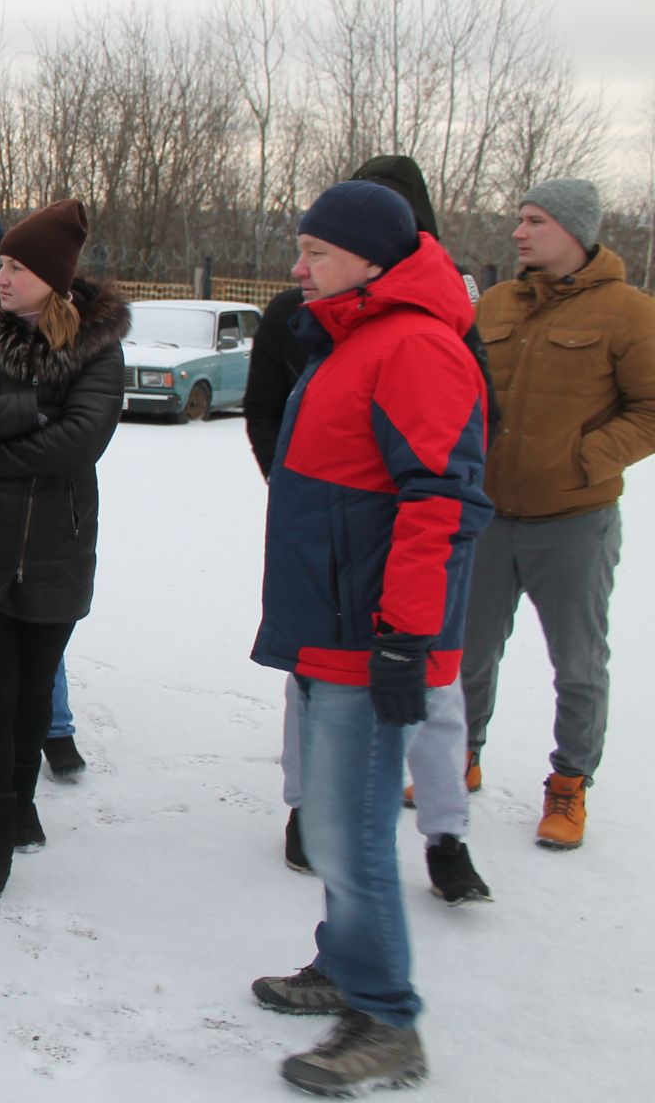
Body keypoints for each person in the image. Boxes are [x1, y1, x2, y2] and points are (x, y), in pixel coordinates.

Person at [249, 181, 491, 1095]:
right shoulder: (356, 336)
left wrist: (404, 638)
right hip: (327, 626)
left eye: (315, 252)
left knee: (349, 833)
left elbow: (440, 503)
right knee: (330, 824)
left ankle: (387, 1019)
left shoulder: (418, 347)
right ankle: (342, 966)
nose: (297, 268)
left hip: (367, 637)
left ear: (371, 261)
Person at [0, 199, 127, 911]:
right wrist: (31, 408)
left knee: (33, 697)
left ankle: (21, 803)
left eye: (14, 266)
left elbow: (83, 441)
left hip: (56, 548)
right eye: (0, 263)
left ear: (53, 277)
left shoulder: (98, 344)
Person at [460, 178, 655, 849]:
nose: (519, 231)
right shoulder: (494, 303)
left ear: (574, 230)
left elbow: (651, 410)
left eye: (534, 220)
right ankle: (462, 755)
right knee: (468, 652)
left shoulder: (629, 313)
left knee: (577, 663)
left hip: (574, 523)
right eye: (520, 218)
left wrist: (582, 462)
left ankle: (569, 786)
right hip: (488, 516)